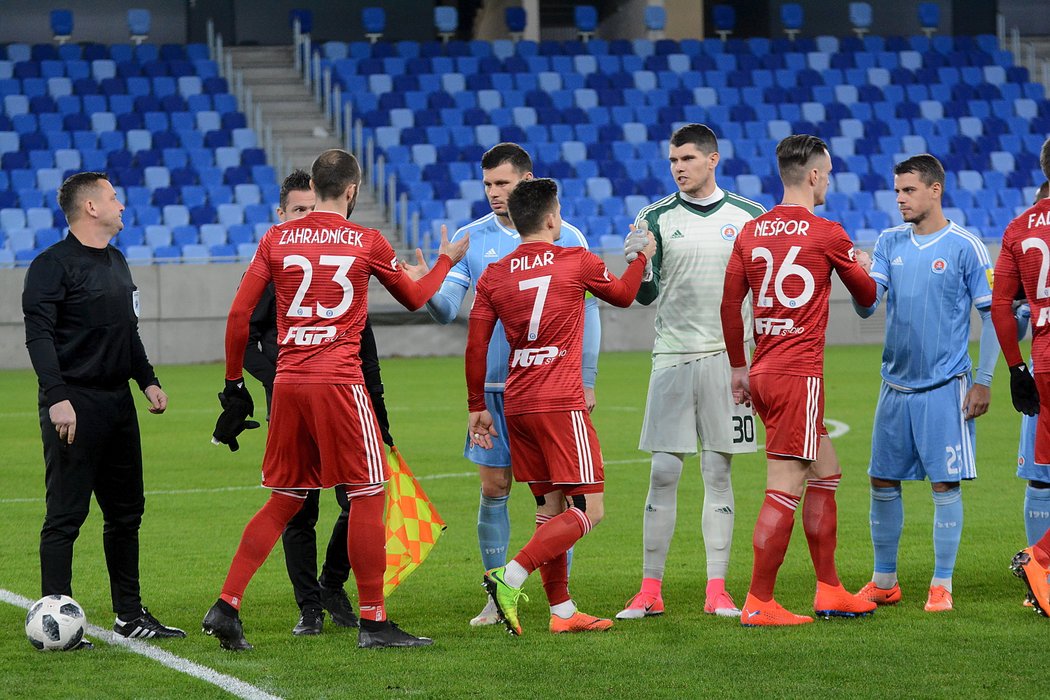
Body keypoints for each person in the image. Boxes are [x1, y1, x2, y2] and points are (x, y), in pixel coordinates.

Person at [202, 149, 469, 650]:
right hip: (340, 381)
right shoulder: (365, 240)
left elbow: (239, 317)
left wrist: (235, 384)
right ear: (351, 190)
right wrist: (445, 262)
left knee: (286, 497)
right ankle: (373, 622)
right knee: (370, 492)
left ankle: (227, 604)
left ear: (317, 187)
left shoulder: (276, 237)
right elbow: (415, 298)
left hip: (288, 381)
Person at [467, 178, 655, 635]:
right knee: (590, 510)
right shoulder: (576, 260)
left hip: (517, 401)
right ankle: (509, 577)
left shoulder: (495, 274)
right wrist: (643, 256)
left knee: (549, 510)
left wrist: (477, 403)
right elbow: (626, 295)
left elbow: (475, 343)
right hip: (561, 402)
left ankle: (563, 612)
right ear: (553, 218)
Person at [425, 143, 600, 625]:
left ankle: (555, 600)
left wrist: (587, 378)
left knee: (559, 499)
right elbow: (446, 312)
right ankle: (495, 592)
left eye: (502, 184)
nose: (493, 193)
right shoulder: (469, 238)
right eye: (487, 185)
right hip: (495, 391)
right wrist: (425, 287)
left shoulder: (567, 237)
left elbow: (591, 310)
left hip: (549, 386)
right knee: (495, 486)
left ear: (526, 181)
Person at [720, 134, 879, 626]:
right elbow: (868, 296)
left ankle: (830, 589)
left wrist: (738, 368)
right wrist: (865, 265)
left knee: (826, 473)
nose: (828, 181)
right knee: (785, 485)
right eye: (827, 173)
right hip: (798, 375)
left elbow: (729, 305)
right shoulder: (827, 233)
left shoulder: (751, 231)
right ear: (813, 175)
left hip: (764, 368)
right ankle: (758, 601)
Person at [22, 171, 185, 648]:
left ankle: (129, 614)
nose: (121, 203)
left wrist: (147, 379)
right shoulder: (51, 266)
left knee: (126, 514)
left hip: (117, 403)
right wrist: (57, 397)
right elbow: (39, 337)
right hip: (73, 403)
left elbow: (126, 332)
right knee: (65, 516)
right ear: (90, 207)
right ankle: (56, 621)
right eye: (114, 196)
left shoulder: (116, 261)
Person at [616, 123, 764, 621]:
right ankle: (649, 589)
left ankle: (717, 588)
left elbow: (762, 295)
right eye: (673, 161)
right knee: (662, 472)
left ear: (712, 160)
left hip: (728, 361)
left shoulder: (749, 217)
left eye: (687, 159)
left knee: (718, 471)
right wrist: (638, 262)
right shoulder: (653, 217)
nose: (678, 168)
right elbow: (644, 295)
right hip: (672, 357)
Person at [241, 169, 396, 636]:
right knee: (300, 507)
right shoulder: (277, 262)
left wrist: (380, 413)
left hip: (346, 394)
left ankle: (333, 584)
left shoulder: (346, 256)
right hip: (299, 395)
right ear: (282, 213)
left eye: (313, 207)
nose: (309, 218)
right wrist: (281, 377)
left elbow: (366, 351)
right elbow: (248, 335)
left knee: (353, 500)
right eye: (299, 211)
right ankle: (309, 607)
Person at [850, 155, 997, 614]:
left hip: (945, 386)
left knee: (944, 484)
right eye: (897, 191)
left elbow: (993, 317)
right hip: (894, 385)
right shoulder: (890, 241)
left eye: (908, 190)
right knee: (881, 478)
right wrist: (857, 274)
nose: (900, 200)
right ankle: (884, 580)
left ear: (935, 190)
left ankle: (941, 582)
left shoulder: (965, 246)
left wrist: (985, 380)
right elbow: (867, 308)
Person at [992, 138, 1050, 616]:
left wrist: (1015, 368)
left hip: (1043, 361)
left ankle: (1042, 569)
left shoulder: (1018, 227)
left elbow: (1000, 305)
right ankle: (1040, 558)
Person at [1011, 180, 1050, 604]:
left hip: (1039, 369)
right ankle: (1039, 568)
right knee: (1040, 480)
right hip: (1040, 371)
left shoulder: (1021, 235)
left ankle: (1039, 563)